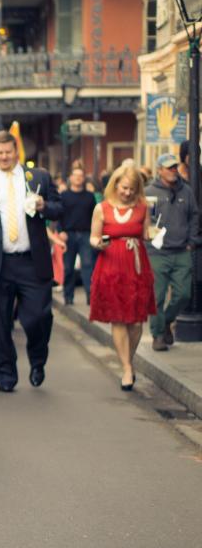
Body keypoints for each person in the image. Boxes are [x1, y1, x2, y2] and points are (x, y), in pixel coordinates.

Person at [0, 130, 62, 392]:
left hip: (31, 262)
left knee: (38, 317)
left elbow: (60, 207)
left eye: (8, 152)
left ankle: (37, 361)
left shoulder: (38, 177)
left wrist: (43, 206)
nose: (4, 157)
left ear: (16, 151)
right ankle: (5, 375)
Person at [89, 163, 156, 390]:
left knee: (136, 321)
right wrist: (99, 243)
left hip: (137, 265)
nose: (128, 193)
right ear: (115, 184)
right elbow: (93, 237)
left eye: (132, 189)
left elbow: (146, 233)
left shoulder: (143, 207)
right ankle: (127, 367)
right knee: (118, 318)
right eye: (125, 188)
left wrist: (155, 234)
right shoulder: (102, 208)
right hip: (111, 265)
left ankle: (127, 359)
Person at [144, 153, 200, 351]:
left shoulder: (187, 191)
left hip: (181, 250)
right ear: (159, 170)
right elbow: (144, 220)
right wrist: (149, 240)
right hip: (157, 252)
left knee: (184, 294)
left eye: (175, 167)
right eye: (168, 167)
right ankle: (158, 335)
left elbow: (194, 216)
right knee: (157, 296)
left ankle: (167, 321)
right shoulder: (149, 192)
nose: (173, 170)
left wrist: (192, 241)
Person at [58, 165, 97, 305]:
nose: (78, 178)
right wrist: (60, 231)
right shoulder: (64, 196)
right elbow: (59, 215)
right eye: (76, 175)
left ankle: (90, 296)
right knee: (68, 268)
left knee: (88, 266)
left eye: (81, 175)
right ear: (71, 178)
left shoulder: (90, 196)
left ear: (84, 178)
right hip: (68, 235)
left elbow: (95, 216)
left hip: (86, 235)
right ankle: (68, 297)